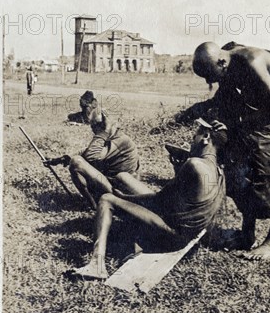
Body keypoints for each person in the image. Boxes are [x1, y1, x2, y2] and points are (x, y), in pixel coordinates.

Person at [177, 41, 270, 261]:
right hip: (263, 110)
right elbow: (224, 98)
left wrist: (236, 124)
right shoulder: (227, 61)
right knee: (239, 162)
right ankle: (246, 233)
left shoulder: (252, 61)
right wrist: (195, 111)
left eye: (211, 75)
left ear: (221, 62)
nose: (210, 82)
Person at [73, 119, 227, 279]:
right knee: (124, 178)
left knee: (106, 199)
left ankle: (97, 265)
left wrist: (124, 199)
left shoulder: (193, 164)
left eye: (194, 136)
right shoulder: (219, 172)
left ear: (206, 137)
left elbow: (159, 200)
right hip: (190, 234)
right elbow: (185, 200)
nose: (191, 141)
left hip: (174, 236)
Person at [51, 108, 140, 209]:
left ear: (107, 124)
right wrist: (64, 158)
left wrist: (104, 132)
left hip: (122, 193)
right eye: (92, 126)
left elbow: (91, 156)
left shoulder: (120, 139)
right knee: (75, 159)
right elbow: (87, 151)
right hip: (116, 186)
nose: (93, 130)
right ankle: (94, 202)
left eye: (97, 126)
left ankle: (93, 205)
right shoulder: (114, 136)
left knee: (76, 163)